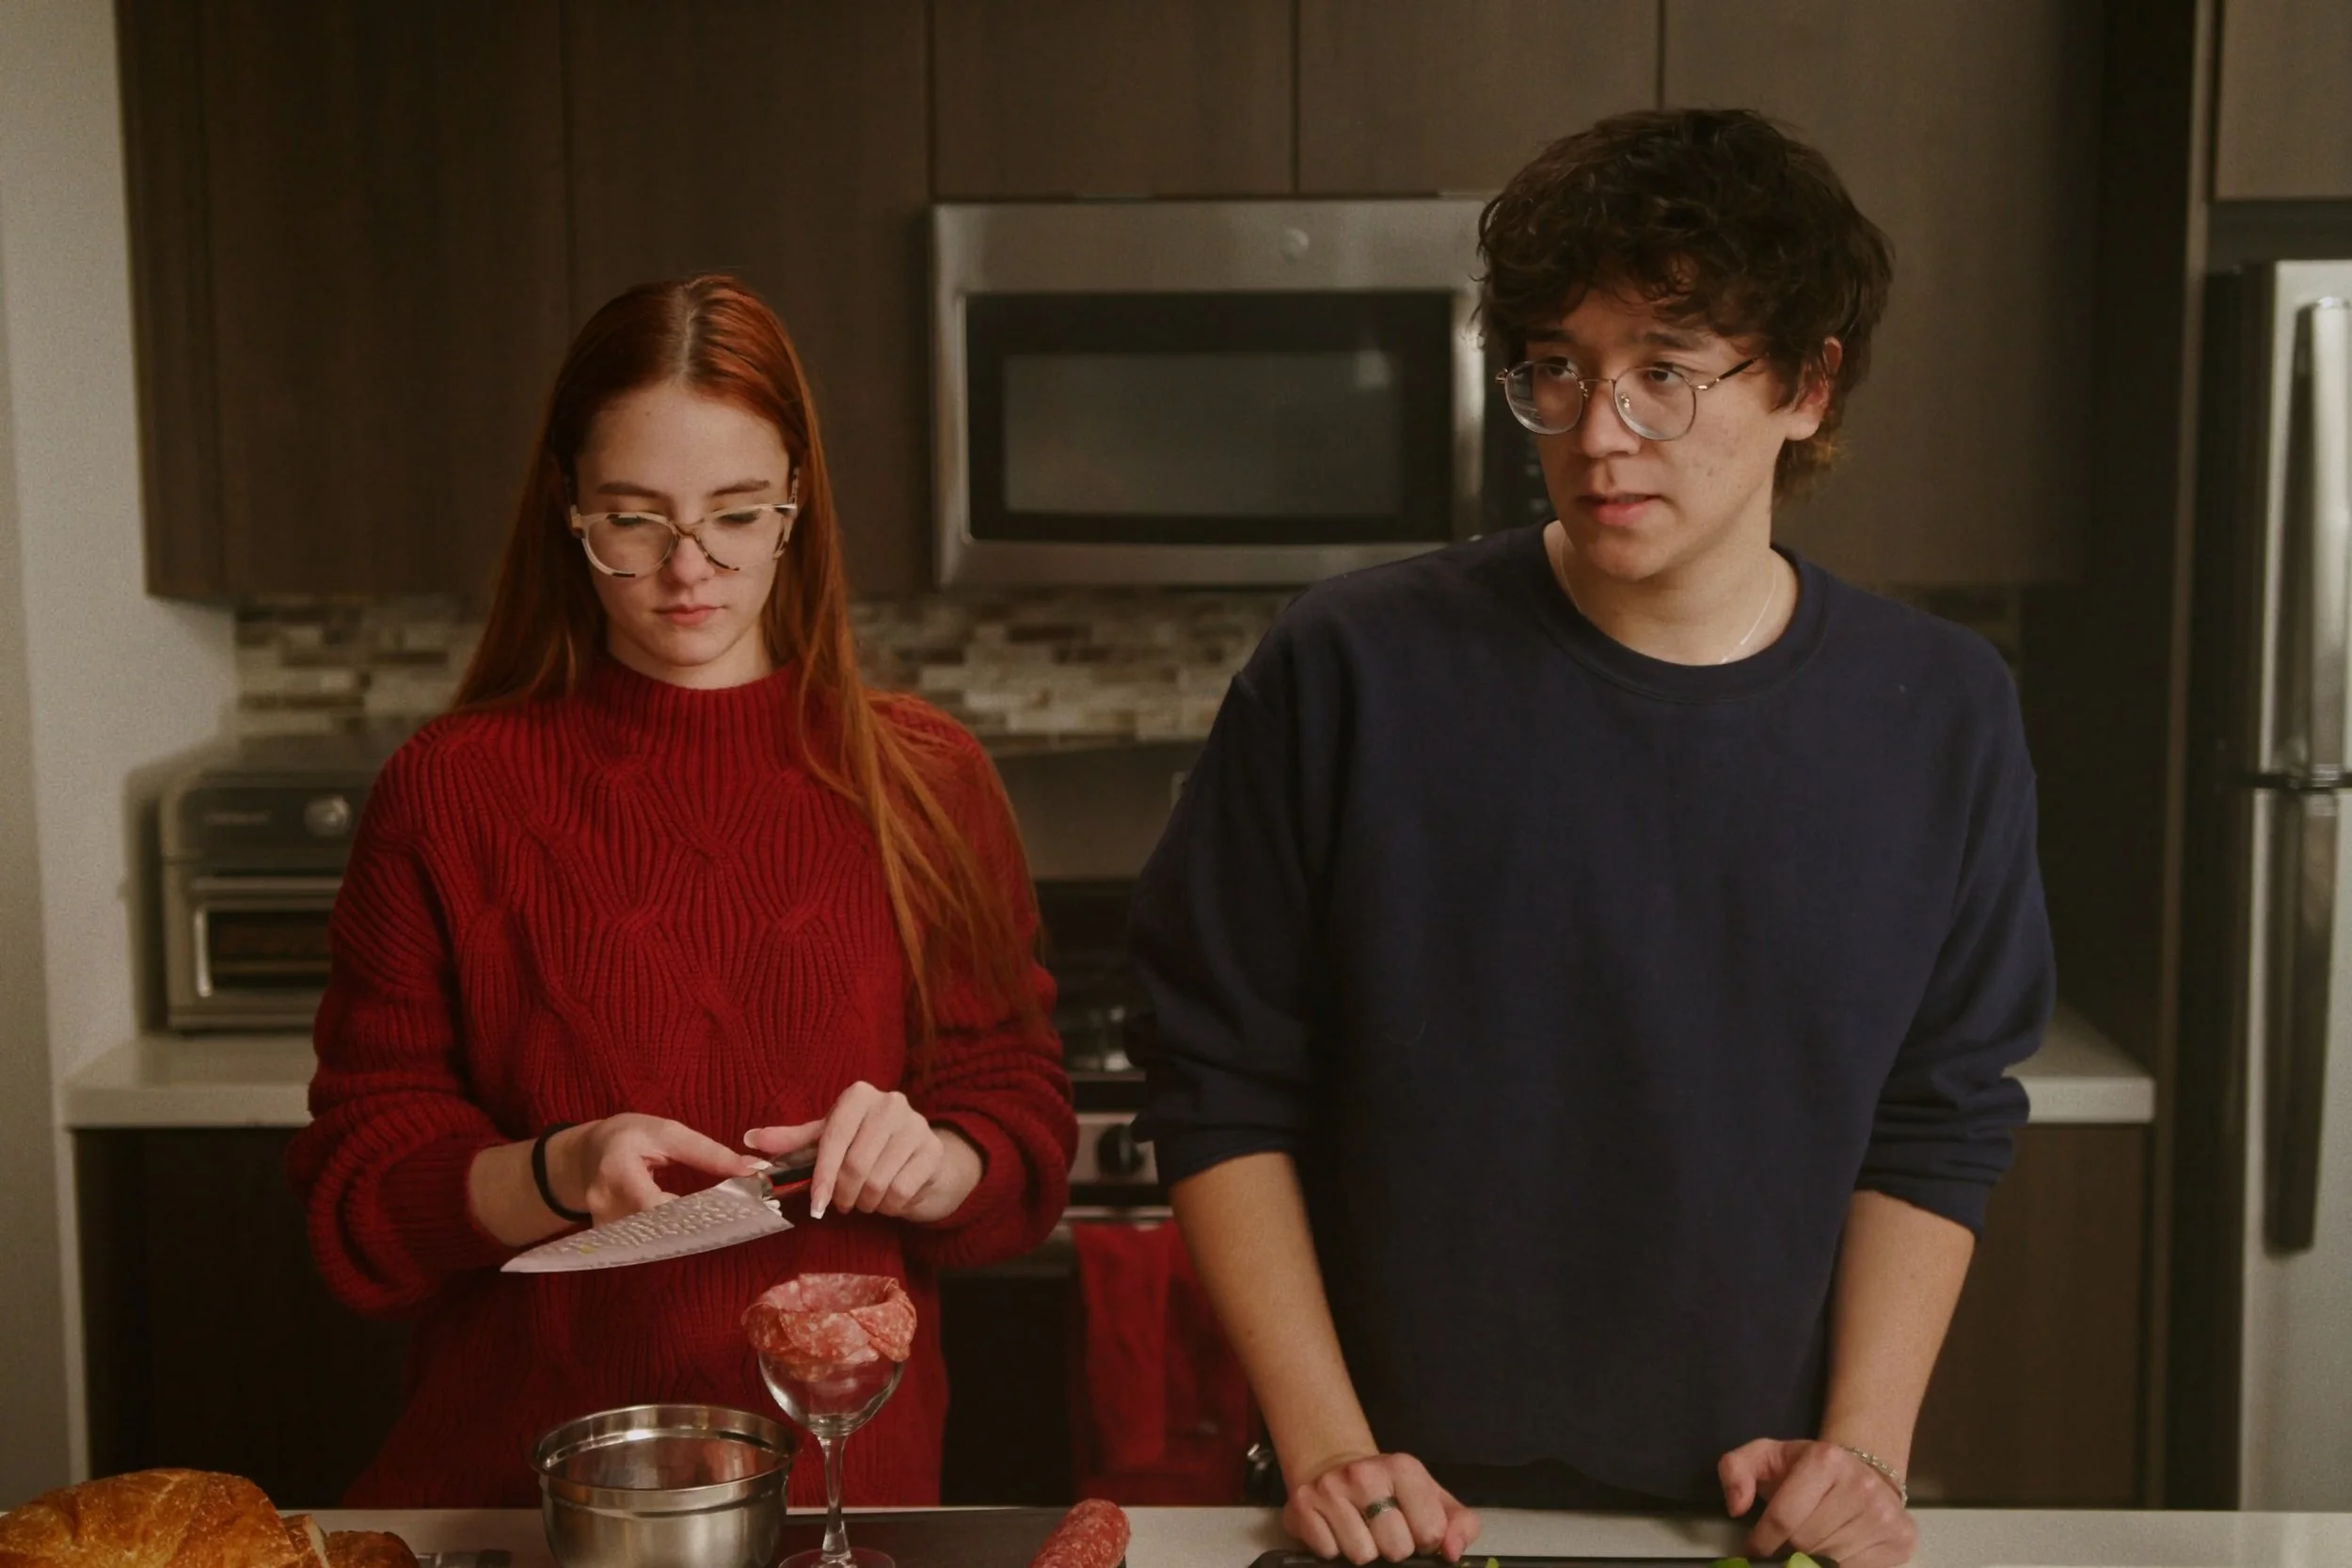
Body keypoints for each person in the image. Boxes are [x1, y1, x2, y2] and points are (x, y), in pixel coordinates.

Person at [1130, 109, 2054, 1568]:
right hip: (1392, 1512)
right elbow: (1216, 1075)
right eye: (1560, 370)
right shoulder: (1350, 668)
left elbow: (1939, 1113)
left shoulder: (1940, 712)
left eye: (1666, 375)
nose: (1599, 435)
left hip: (1752, 1511)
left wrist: (1860, 1450)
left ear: (1810, 384)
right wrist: (1330, 1445)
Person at [289, 276, 1075, 1508]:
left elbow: (1018, 1125)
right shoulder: (448, 791)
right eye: (634, 518)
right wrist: (559, 1170)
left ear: (795, 505)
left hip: (835, 1498)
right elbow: (360, 1197)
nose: (689, 567)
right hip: (525, 1497)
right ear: (568, 511)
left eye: (736, 514)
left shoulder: (926, 778)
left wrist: (933, 1160)